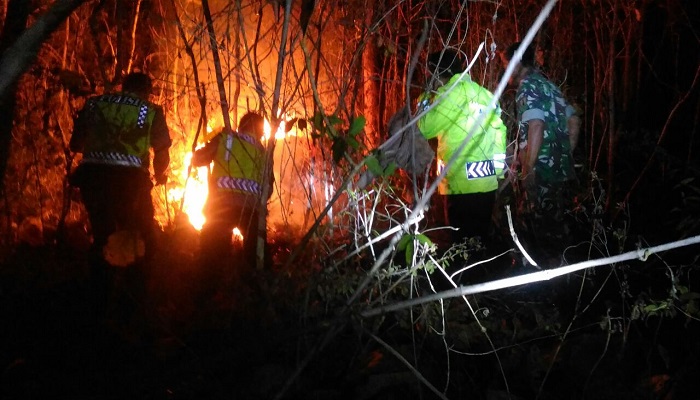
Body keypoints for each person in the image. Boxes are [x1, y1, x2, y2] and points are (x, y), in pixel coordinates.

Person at [69, 71, 171, 319]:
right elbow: (162, 150)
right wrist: (160, 174)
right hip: (130, 184)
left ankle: (97, 300)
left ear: (124, 87)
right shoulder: (151, 110)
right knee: (139, 237)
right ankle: (131, 303)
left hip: (93, 180)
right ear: (145, 90)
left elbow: (76, 144)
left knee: (103, 236)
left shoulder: (96, 103)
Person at [417, 49, 507, 249]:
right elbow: (500, 132)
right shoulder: (484, 94)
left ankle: (464, 280)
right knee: (479, 241)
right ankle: (482, 275)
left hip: (460, 183)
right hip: (486, 182)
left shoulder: (448, 94)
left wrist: (423, 98)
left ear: (437, 73)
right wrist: (498, 171)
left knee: (460, 246)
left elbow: (425, 126)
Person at [503, 42, 582, 263]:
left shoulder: (527, 87)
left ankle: (544, 285)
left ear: (517, 63)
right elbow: (574, 121)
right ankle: (568, 277)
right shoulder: (549, 86)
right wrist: (562, 153)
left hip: (540, 173)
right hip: (560, 170)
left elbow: (535, 125)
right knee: (558, 228)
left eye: (507, 64)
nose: (506, 70)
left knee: (537, 232)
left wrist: (528, 170)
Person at [192, 112, 271, 271]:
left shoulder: (226, 138)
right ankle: (257, 286)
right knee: (255, 255)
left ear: (241, 126)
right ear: (260, 131)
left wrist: (202, 147)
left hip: (222, 206)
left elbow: (198, 159)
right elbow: (268, 188)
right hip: (250, 209)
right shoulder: (263, 152)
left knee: (211, 254)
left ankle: (208, 286)